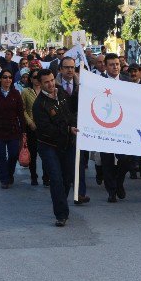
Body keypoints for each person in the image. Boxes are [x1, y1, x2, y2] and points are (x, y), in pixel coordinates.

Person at [33, 69, 79, 227]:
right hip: (49, 146)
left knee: (67, 178)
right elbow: (46, 129)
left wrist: (73, 125)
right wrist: (67, 129)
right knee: (56, 179)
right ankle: (61, 214)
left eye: (52, 80)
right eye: (46, 82)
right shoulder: (39, 105)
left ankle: (61, 202)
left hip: (68, 144)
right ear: (40, 83)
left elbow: (72, 112)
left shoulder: (63, 94)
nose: (51, 84)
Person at [56, 56, 90, 205]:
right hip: (61, 130)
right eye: (67, 67)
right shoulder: (54, 86)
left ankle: (80, 193)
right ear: (61, 69)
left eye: (72, 67)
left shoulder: (82, 84)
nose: (70, 70)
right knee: (64, 166)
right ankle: (62, 195)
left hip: (78, 128)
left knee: (79, 162)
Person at [100, 53, 131, 203]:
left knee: (125, 159)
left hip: (123, 128)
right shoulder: (98, 82)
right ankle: (111, 191)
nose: (115, 67)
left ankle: (119, 182)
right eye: (112, 64)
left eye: (117, 64)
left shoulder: (127, 80)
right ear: (105, 66)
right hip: (104, 127)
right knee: (107, 161)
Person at [22, 69, 50, 186]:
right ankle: (34, 176)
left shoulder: (47, 91)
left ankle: (46, 177)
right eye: (34, 77)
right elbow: (22, 110)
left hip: (46, 127)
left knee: (46, 154)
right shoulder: (25, 92)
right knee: (33, 154)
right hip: (32, 128)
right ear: (31, 79)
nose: (37, 79)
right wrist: (30, 123)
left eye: (39, 77)